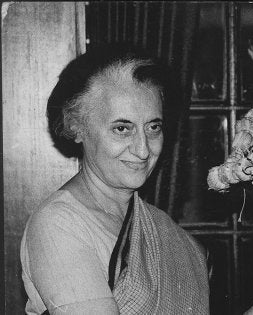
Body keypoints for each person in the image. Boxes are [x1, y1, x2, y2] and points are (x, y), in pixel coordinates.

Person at [20, 44, 210, 314]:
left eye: (153, 127)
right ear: (76, 126)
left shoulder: (160, 226)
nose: (143, 150)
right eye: (122, 128)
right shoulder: (59, 225)